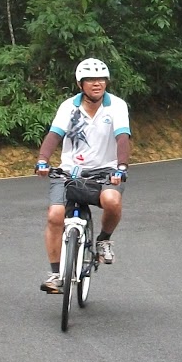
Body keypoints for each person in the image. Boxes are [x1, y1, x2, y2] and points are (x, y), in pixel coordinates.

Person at [33, 58, 130, 294]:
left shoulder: (116, 106)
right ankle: (56, 274)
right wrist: (43, 160)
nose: (97, 84)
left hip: (105, 170)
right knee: (55, 215)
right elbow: (54, 135)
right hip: (69, 171)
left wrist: (122, 166)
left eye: (101, 79)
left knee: (112, 201)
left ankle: (103, 239)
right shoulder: (69, 107)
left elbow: (122, 137)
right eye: (91, 80)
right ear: (80, 83)